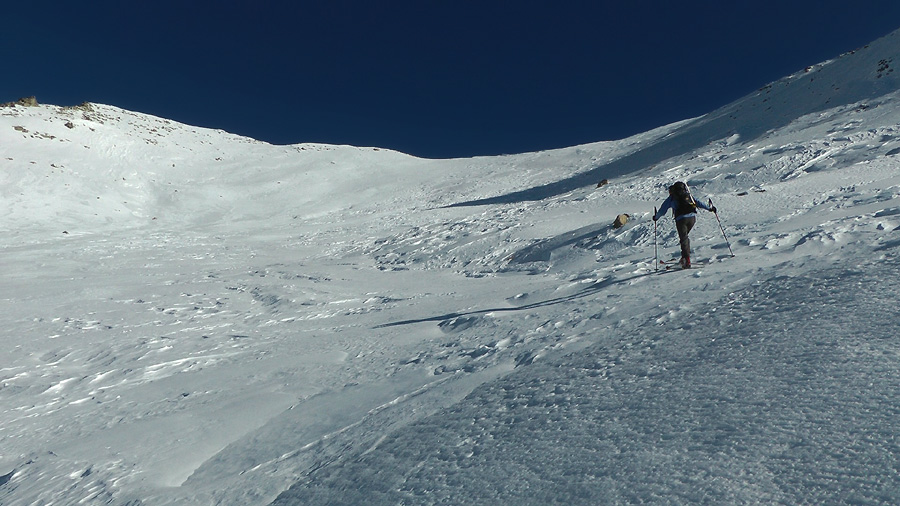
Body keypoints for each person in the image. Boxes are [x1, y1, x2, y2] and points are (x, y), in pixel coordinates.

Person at [652, 181, 716, 268]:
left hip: (681, 219)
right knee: (684, 238)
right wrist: (710, 208)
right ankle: (684, 257)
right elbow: (698, 202)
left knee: (684, 238)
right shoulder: (688, 195)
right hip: (692, 218)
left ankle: (687, 260)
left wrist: (656, 217)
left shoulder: (672, 198)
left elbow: (663, 210)